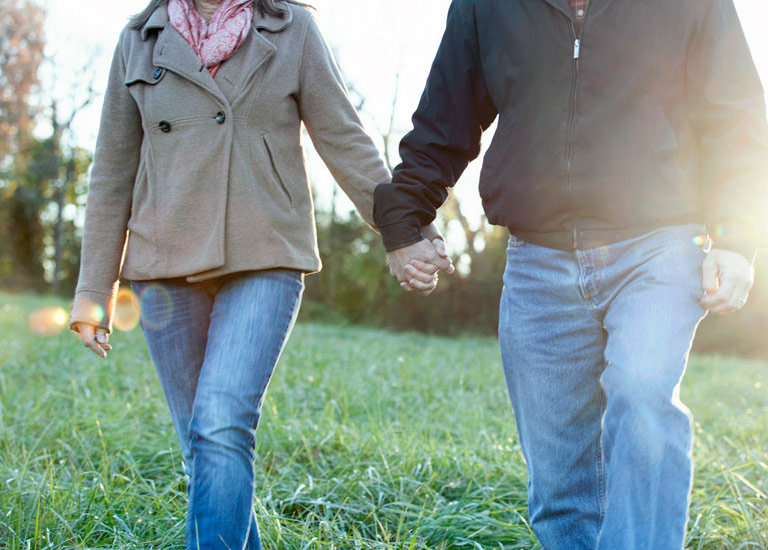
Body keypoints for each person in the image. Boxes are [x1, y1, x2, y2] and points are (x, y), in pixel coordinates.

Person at [374, 0, 768, 548]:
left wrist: (735, 235)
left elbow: (736, 113)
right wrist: (405, 222)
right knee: (560, 483)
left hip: (660, 246)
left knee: (641, 389)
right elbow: (444, 121)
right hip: (539, 259)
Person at [68, 0, 450, 548]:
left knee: (220, 423)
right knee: (205, 444)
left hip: (266, 251)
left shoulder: (292, 28)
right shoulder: (140, 39)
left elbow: (343, 138)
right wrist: (92, 290)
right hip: (163, 266)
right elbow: (111, 170)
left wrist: (405, 229)